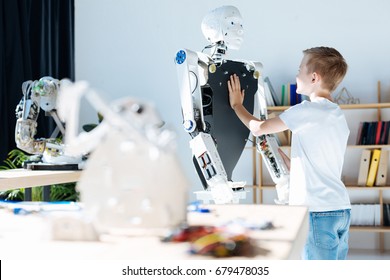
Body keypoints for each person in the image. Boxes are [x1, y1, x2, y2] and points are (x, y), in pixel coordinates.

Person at [227, 46, 351, 260]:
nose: (296, 75)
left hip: (316, 212)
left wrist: (237, 105)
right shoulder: (336, 115)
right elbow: (313, 163)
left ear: (314, 77)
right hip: (340, 209)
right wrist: (280, 155)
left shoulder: (306, 110)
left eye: (300, 69)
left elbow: (258, 128)